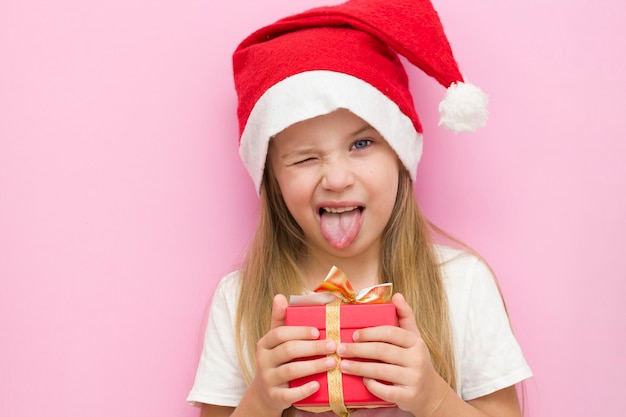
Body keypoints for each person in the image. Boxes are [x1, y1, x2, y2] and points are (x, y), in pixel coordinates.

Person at [188, 0, 532, 416]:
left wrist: (433, 398)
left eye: (361, 144)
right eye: (304, 157)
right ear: (273, 180)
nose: (336, 178)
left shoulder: (461, 284)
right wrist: (261, 400)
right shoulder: (240, 300)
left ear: (400, 156)